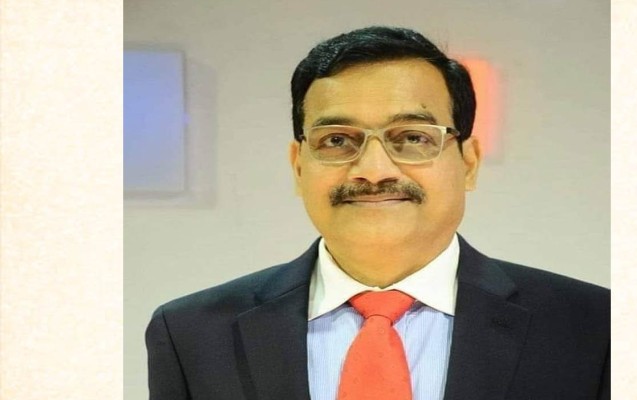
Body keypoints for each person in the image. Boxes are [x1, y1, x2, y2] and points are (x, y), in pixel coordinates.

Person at [146, 26, 609, 400]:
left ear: (468, 163)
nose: (372, 170)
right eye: (337, 140)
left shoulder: (593, 329)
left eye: (411, 137)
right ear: (299, 166)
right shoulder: (193, 334)